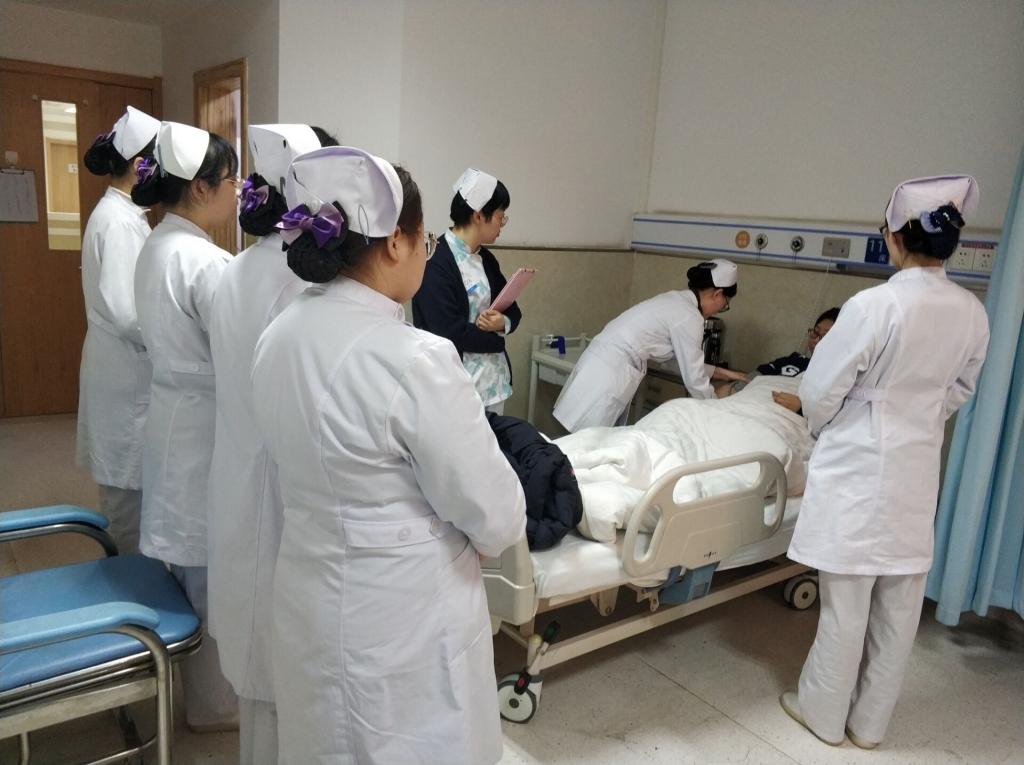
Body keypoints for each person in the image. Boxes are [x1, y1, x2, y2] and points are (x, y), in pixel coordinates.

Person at [250, 147, 527, 764]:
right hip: (403, 613)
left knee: (324, 740)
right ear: (397, 242)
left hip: (308, 586)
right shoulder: (415, 360)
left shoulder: (279, 335)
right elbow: (497, 515)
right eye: (422, 239)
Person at [780, 175, 990, 749]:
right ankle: (869, 725)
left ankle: (823, 714)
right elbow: (961, 390)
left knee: (846, 606)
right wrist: (917, 416)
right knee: (899, 610)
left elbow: (819, 390)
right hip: (917, 467)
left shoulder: (875, 305)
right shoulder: (972, 312)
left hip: (860, 462)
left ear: (895, 238)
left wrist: (833, 426)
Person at [206, 123, 336, 765]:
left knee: (262, 681)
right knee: (284, 682)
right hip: (281, 494)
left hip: (237, 474)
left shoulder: (238, 269)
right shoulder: (297, 283)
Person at [131, 121, 240, 730]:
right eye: (231, 181)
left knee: (191, 569)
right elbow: (240, 351)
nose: (237, 193)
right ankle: (214, 706)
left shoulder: (159, 243)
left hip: (175, 419)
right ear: (201, 188)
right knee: (208, 577)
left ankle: (201, 695)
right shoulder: (204, 261)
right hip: (202, 426)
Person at [76, 107, 160, 554]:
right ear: (140, 165)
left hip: (119, 368)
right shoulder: (120, 222)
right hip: (125, 374)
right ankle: (127, 586)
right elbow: (130, 315)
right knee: (129, 503)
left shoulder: (123, 214)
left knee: (131, 492)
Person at [553, 258, 748, 432]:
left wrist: (724, 373)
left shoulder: (675, 300)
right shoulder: (690, 316)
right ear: (718, 294)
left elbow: (677, 362)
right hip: (610, 370)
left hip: (602, 360)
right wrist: (717, 408)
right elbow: (694, 380)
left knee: (584, 441)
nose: (721, 309)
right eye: (725, 304)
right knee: (586, 442)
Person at [412, 167, 521, 413]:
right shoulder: (435, 260)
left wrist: (503, 322)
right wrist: (497, 340)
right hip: (455, 389)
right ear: (479, 215)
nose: (502, 224)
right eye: (501, 216)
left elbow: (513, 309)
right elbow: (446, 330)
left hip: (495, 385)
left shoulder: (487, 259)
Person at [750, 306, 840, 413]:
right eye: (816, 333)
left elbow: (832, 413)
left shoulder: (840, 378)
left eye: (826, 336)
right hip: (753, 401)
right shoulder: (795, 359)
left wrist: (801, 408)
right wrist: (736, 385)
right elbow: (758, 374)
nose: (816, 340)